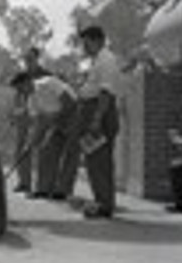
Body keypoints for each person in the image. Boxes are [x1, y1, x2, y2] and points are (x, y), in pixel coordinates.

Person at [72, 26, 120, 219]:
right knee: (94, 161)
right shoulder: (97, 60)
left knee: (99, 162)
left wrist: (96, 119)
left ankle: (104, 204)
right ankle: (102, 201)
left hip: (99, 113)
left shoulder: (106, 60)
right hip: (91, 110)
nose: (84, 46)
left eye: (87, 42)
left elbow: (105, 93)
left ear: (97, 40)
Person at [27, 74, 78, 200]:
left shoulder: (48, 82)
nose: (22, 91)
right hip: (56, 123)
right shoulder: (31, 99)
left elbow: (69, 102)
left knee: (70, 155)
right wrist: (34, 140)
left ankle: (62, 191)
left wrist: (55, 117)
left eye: (22, 87)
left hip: (74, 116)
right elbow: (39, 122)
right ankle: (43, 189)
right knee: (46, 150)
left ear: (28, 82)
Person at [8, 47, 51, 195]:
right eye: (25, 59)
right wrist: (14, 114)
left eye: (30, 59)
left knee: (39, 149)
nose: (27, 62)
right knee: (20, 148)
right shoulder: (22, 75)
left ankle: (42, 185)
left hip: (41, 114)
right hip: (24, 115)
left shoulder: (45, 75)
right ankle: (24, 182)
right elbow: (17, 96)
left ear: (37, 58)